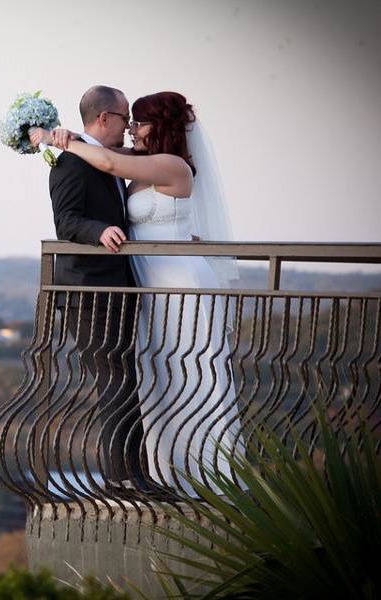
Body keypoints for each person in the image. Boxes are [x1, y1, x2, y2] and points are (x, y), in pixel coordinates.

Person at [31, 91, 243, 496]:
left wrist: (56, 137)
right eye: (127, 119)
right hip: (141, 286)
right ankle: (163, 473)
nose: (132, 127)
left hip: (178, 283)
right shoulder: (132, 164)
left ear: (158, 127)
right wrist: (67, 139)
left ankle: (208, 473)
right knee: (151, 376)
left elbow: (108, 159)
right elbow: (91, 180)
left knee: (189, 371)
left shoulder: (169, 165)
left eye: (138, 121)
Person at [37, 85, 153, 497]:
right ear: (104, 118)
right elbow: (65, 221)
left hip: (116, 287)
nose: (128, 127)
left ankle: (132, 475)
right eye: (124, 118)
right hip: (87, 290)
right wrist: (99, 230)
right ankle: (124, 479)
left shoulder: (101, 156)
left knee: (123, 379)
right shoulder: (69, 161)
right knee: (114, 382)